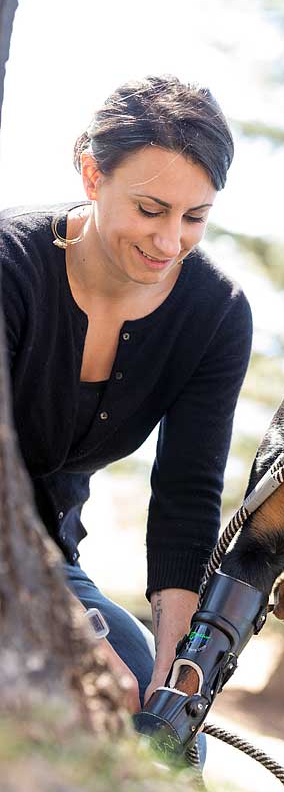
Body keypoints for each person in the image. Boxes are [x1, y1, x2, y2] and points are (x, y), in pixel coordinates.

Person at [0, 76, 252, 752]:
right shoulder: (9, 267)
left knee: (174, 740)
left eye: (194, 217)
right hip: (11, 555)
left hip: (48, 553)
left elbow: (186, 493)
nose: (171, 240)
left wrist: (177, 665)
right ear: (91, 173)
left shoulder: (216, 315)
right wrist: (73, 629)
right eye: (151, 208)